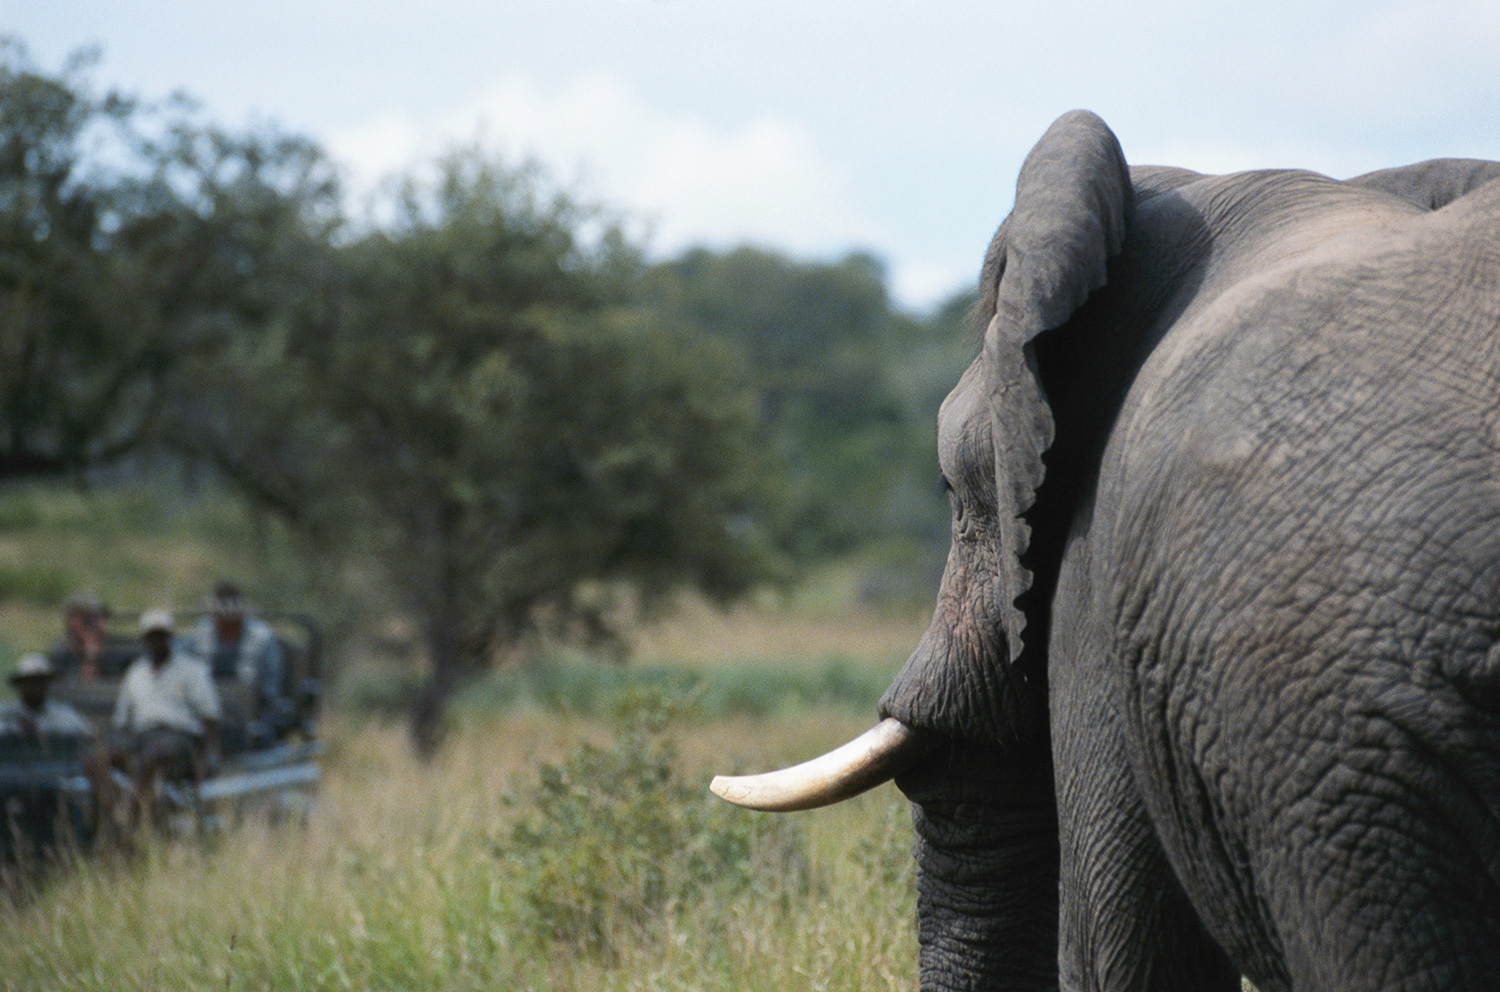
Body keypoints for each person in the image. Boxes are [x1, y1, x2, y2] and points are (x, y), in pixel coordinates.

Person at [87, 610, 221, 828]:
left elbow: (209, 717)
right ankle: (115, 809)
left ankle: (128, 812)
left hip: (179, 737)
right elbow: (122, 720)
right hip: (142, 734)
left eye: (161, 636)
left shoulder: (191, 670)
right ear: (145, 639)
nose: (157, 641)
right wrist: (116, 743)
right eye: (152, 636)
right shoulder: (136, 673)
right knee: (95, 759)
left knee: (153, 753)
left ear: (170, 637)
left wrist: (205, 759)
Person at [188, 582, 286, 735]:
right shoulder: (199, 636)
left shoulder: (263, 639)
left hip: (252, 709)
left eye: (232, 620)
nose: (226, 625)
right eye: (220, 619)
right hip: (207, 706)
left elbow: (271, 685)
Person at [0, 653, 95, 741]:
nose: (35, 687)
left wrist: (43, 731)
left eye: (40, 682)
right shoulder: (6, 713)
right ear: (20, 685)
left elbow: (88, 735)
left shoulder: (62, 714)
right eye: (30, 682)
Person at [46, 590, 115, 681]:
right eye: (82, 618)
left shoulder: (111, 649)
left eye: (92, 617)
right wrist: (90, 658)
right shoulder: (62, 652)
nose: (88, 624)